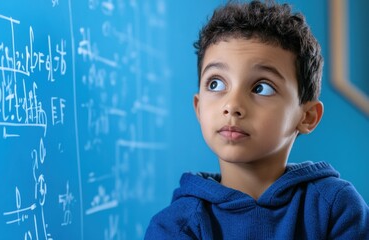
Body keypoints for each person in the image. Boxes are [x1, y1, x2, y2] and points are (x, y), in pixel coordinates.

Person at [145, 0, 369, 239]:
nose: (232, 105)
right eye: (216, 83)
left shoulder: (337, 207)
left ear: (307, 116)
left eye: (261, 87)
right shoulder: (175, 226)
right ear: (199, 108)